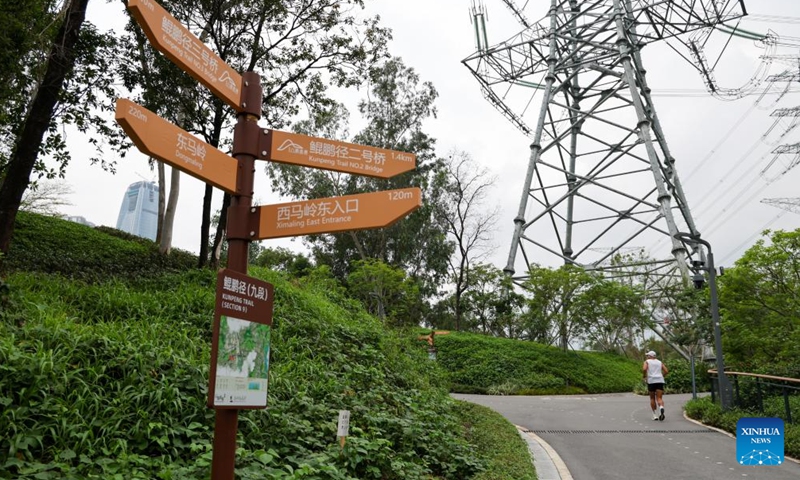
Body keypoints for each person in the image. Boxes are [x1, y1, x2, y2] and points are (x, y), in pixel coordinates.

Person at [643, 350, 668, 421]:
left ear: (650, 356)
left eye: (648, 355)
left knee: (652, 398)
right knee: (659, 398)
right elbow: (666, 371)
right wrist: (662, 376)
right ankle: (661, 408)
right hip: (660, 380)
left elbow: (644, 369)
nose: (647, 357)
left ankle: (655, 415)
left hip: (651, 381)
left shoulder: (647, 362)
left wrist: (644, 376)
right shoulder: (659, 362)